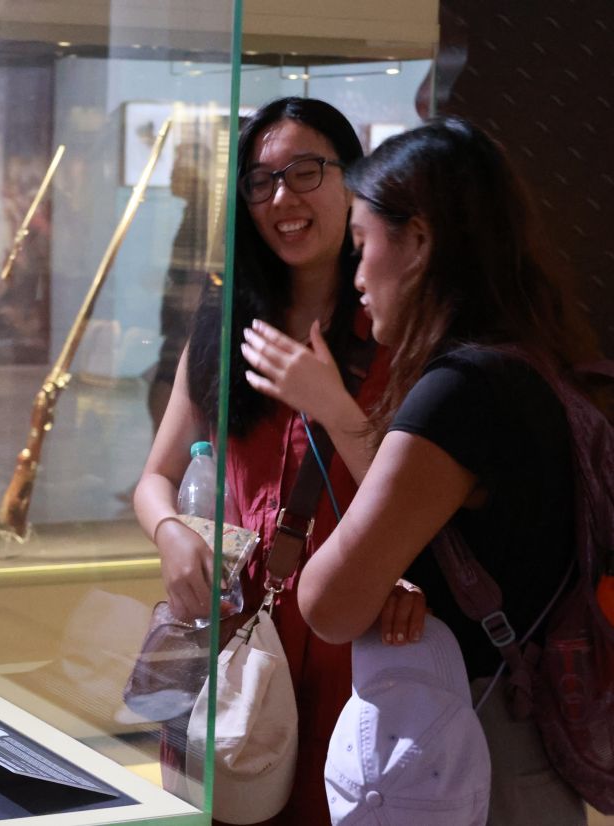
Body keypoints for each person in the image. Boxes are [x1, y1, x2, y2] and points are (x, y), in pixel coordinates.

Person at [295, 117, 602, 824]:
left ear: (420, 243)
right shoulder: (528, 363)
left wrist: (369, 581)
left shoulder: (459, 391)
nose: (358, 276)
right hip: (515, 742)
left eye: (363, 245)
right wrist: (398, 579)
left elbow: (329, 603)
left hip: (468, 759)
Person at [134, 97, 395, 825]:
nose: (282, 198)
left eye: (305, 172)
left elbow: (406, 495)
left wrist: (332, 402)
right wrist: (170, 533)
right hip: (230, 619)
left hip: (347, 628)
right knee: (219, 805)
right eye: (260, 180)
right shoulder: (224, 323)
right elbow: (153, 479)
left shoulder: (394, 324)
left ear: (354, 181)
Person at [147, 137, 223, 432]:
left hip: (192, 322)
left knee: (169, 391)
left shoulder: (204, 212)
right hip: (180, 322)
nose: (172, 173)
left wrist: (193, 296)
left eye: (179, 165)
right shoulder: (193, 211)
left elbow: (201, 275)